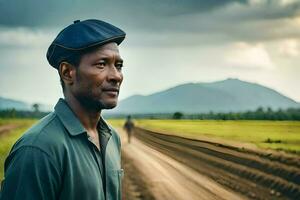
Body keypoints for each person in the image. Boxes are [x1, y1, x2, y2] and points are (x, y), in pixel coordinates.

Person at [0, 19, 126, 200]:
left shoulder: (112, 138)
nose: (116, 76)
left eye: (119, 65)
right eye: (101, 64)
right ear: (67, 72)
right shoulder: (37, 150)